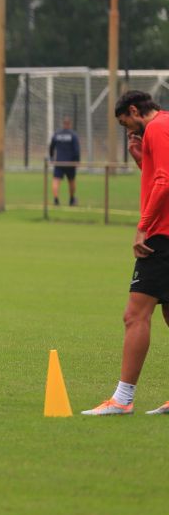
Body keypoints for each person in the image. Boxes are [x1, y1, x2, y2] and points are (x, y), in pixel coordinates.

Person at [83, 90, 169, 415]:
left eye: (126, 124)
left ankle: (122, 398)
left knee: (135, 316)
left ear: (134, 110)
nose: (128, 131)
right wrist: (138, 155)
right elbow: (156, 172)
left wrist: (143, 225)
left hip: (161, 236)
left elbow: (164, 179)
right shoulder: (165, 126)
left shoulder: (158, 127)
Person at [49, 115, 81, 206]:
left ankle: (56, 200)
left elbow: (51, 146)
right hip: (70, 163)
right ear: (70, 124)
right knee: (71, 181)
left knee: (56, 180)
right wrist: (77, 160)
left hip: (59, 162)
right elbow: (76, 149)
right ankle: (71, 200)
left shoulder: (57, 134)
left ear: (63, 124)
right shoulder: (73, 135)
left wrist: (51, 157)